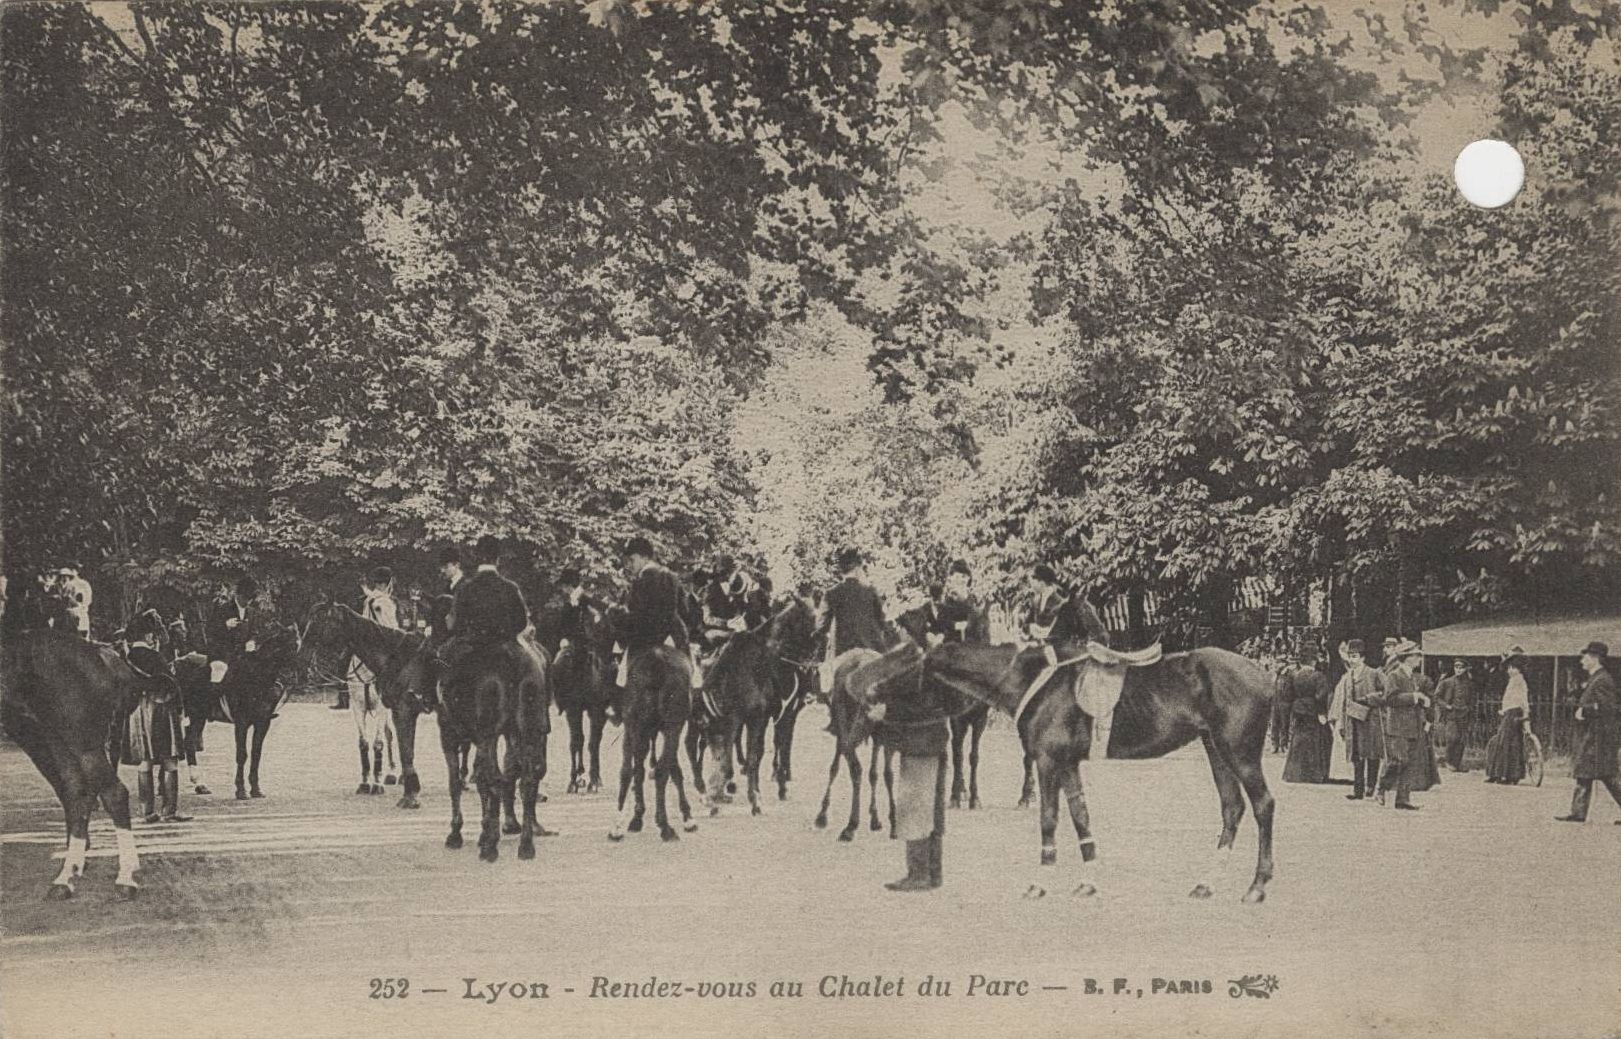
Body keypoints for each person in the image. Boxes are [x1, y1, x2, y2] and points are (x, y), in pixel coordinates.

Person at [865, 654, 951, 892]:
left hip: (919, 745)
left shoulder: (917, 672)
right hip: (937, 741)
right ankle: (934, 873)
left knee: (915, 807)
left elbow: (915, 707)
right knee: (932, 809)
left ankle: (918, 874)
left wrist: (886, 713)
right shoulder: (937, 668)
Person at [121, 609, 193, 824]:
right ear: (147, 636)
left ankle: (147, 812)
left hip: (137, 711)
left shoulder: (127, 658)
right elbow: (171, 684)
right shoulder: (154, 656)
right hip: (161, 709)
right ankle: (169, 811)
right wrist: (182, 711)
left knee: (145, 761)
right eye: (152, 634)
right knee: (170, 760)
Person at [1556, 642, 1621, 824]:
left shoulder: (1603, 680)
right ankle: (1577, 813)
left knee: (1608, 776)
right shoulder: (1596, 678)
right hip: (1593, 737)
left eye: (1585, 657)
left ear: (1594, 658)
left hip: (1598, 738)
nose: (1582, 660)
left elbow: (1608, 708)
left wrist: (1585, 711)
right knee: (1588, 774)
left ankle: (1578, 813)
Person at [617, 536, 691, 689]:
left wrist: (620, 625)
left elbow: (636, 615)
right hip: (674, 637)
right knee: (692, 673)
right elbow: (685, 610)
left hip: (646, 638)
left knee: (622, 676)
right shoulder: (673, 577)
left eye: (632, 560)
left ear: (644, 558)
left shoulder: (641, 580)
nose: (629, 565)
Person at [1368, 640, 1429, 810]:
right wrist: (1415, 697)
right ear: (1406, 658)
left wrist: (1423, 701)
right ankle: (1381, 788)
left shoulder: (1413, 677)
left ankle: (1403, 799)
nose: (1419, 659)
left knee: (1409, 763)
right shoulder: (1395, 675)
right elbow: (1390, 699)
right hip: (1398, 725)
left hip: (1413, 725)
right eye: (1416, 655)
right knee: (1398, 760)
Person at [815, 548, 895, 660]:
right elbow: (882, 622)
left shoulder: (831, 593)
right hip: (870, 648)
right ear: (857, 569)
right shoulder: (870, 591)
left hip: (841, 652)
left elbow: (821, 626)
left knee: (827, 674)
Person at [1328, 639, 1383, 800]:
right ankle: (1358, 790)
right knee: (1356, 755)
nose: (1352, 660)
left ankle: (1371, 786)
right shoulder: (1347, 677)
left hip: (1370, 720)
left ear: (1363, 658)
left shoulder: (1374, 673)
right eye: (1350, 656)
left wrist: (1368, 698)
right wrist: (1343, 723)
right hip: (1353, 720)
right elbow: (1344, 702)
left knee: (1372, 754)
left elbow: (1386, 693)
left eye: (1356, 656)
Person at [1026, 563, 1110, 659]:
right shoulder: (1035, 601)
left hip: (1059, 650)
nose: (1030, 585)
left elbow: (1066, 630)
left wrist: (1044, 632)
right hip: (1040, 648)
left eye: (1032, 581)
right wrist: (1031, 628)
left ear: (1041, 582)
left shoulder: (1060, 601)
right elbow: (1028, 623)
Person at [1280, 651, 1334, 783]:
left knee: (1298, 741)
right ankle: (1315, 774)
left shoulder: (1293, 676)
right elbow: (1321, 696)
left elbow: (1287, 695)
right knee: (1317, 741)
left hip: (1298, 710)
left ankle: (1294, 774)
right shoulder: (1318, 676)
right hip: (1313, 711)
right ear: (1314, 662)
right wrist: (1322, 712)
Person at [206, 576, 262, 689]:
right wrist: (225, 625)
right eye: (246, 598)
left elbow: (255, 632)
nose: (248, 602)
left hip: (243, 655)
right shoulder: (223, 609)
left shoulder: (252, 612)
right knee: (219, 671)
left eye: (250, 599)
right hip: (222, 654)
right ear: (238, 595)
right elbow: (210, 630)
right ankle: (214, 700)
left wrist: (252, 641)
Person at [1484, 651, 1530, 785]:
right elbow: (1508, 699)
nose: (1510, 670)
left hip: (1514, 713)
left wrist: (1525, 714)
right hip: (1509, 712)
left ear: (1519, 669)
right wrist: (1504, 710)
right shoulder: (1513, 680)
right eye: (1509, 668)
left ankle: (1503, 774)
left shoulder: (1519, 681)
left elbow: (1522, 699)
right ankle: (1505, 774)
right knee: (1505, 742)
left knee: (1505, 742)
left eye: (1513, 668)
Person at [1434, 658, 1477, 772]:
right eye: (1456, 667)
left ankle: (1457, 764)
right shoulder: (1447, 682)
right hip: (1451, 714)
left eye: (1461, 668)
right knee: (1452, 737)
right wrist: (1446, 706)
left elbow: (1473, 699)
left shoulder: (1470, 684)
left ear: (1465, 669)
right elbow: (1436, 697)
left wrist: (1469, 708)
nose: (1458, 670)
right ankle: (1448, 761)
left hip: (1464, 714)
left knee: (1461, 740)